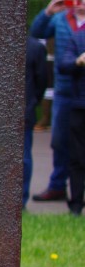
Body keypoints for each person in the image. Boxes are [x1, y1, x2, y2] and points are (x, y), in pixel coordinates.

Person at [29, 0, 85, 202]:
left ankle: (79, 190)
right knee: (60, 139)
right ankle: (58, 185)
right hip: (64, 89)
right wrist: (48, 11)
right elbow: (36, 32)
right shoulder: (61, 18)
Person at [57, 24, 85, 215]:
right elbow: (63, 65)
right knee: (77, 157)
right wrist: (78, 61)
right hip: (80, 106)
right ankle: (75, 205)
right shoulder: (79, 37)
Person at [24, 35, 48, 206]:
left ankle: (20, 200)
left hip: (25, 111)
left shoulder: (35, 47)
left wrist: (32, 102)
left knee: (23, 158)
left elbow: (42, 81)